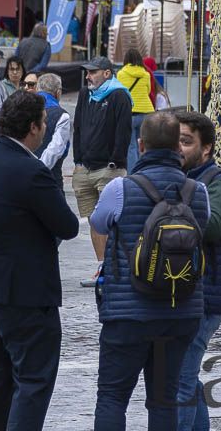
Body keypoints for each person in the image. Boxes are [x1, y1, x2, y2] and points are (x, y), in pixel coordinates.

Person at [0, 91, 80, 431]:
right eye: (43, 123)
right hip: (24, 293)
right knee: (33, 379)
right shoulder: (32, 170)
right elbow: (68, 226)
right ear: (32, 127)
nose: (45, 129)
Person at [90, 111, 210, 431]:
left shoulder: (120, 188)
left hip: (128, 314)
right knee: (163, 398)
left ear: (141, 145)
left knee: (113, 396)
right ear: (177, 146)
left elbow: (98, 223)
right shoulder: (197, 191)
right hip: (180, 311)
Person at [174, 111, 221, 431]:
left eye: (186, 141)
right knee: (185, 376)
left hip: (208, 291)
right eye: (174, 140)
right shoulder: (184, 179)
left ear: (206, 149)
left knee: (180, 380)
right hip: (187, 288)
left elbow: (212, 227)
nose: (178, 148)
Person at [73, 56, 133, 287]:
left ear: (107, 73)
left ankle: (116, 268)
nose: (88, 76)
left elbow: (123, 132)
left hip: (108, 169)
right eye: (87, 72)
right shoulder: (84, 94)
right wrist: (78, 160)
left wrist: (115, 161)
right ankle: (101, 267)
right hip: (85, 168)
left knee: (113, 221)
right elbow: (77, 127)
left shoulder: (119, 95)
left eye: (93, 72)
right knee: (94, 222)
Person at [116, 48, 155, 166]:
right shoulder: (146, 74)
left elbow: (119, 92)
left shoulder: (121, 74)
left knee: (131, 146)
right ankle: (143, 170)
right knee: (143, 145)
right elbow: (148, 91)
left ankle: (133, 173)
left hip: (129, 113)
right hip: (146, 112)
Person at [35, 73, 72, 178]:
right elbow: (56, 149)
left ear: (37, 88)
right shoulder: (62, 115)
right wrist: (39, 170)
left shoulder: (22, 107)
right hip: (50, 174)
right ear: (58, 92)